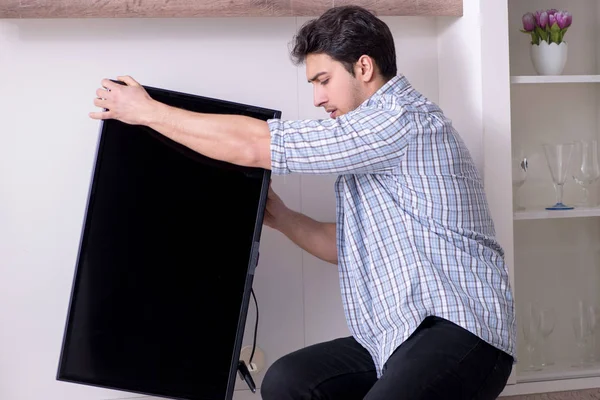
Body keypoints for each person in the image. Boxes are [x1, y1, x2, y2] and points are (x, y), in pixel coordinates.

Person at [90, 5, 516, 399]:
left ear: (364, 67)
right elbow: (345, 247)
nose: (317, 99)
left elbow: (259, 144)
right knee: (289, 382)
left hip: (462, 334)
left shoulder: (398, 119)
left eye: (324, 81)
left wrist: (146, 112)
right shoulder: (367, 146)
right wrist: (282, 218)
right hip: (394, 338)